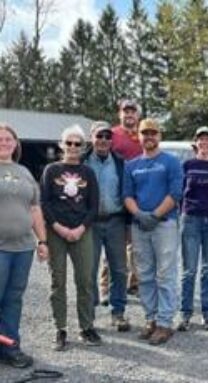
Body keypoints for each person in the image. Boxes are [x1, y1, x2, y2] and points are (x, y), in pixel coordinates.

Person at [123, 118, 183, 345]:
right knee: (145, 274)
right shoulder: (132, 165)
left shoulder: (171, 162)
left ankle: (165, 323)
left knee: (165, 274)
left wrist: (155, 215)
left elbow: (175, 193)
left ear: (159, 135)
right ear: (138, 136)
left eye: (153, 133)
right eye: (144, 133)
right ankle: (151, 319)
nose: (149, 136)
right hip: (139, 225)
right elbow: (127, 195)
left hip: (164, 224)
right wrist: (139, 214)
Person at [41, 125, 100, 351]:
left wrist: (80, 229)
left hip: (82, 231)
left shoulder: (88, 173)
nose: (73, 147)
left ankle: (86, 326)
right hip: (56, 231)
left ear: (83, 146)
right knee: (58, 281)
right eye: (69, 143)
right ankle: (61, 328)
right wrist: (58, 227)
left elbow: (93, 205)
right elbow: (44, 203)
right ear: (61, 145)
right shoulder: (51, 170)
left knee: (85, 280)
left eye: (77, 143)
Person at [0, 124, 48, 368]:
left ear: (16, 143)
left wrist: (42, 240)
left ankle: (9, 347)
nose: (4, 142)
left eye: (9, 139)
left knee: (13, 299)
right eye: (0, 139)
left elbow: (35, 208)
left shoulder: (24, 172)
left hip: (22, 248)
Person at [83, 121, 130, 332]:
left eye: (107, 136)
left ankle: (118, 312)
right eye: (99, 136)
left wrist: (129, 224)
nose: (103, 140)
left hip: (115, 222)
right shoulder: (82, 162)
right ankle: (89, 314)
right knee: (89, 269)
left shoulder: (120, 163)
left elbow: (127, 193)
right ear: (91, 138)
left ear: (112, 140)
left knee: (119, 269)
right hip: (90, 223)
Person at [177, 127, 208, 332]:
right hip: (191, 220)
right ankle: (185, 314)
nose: (204, 143)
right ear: (195, 143)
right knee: (189, 271)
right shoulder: (187, 165)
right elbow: (179, 192)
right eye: (201, 140)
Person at [109, 99, 143, 299]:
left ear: (137, 115)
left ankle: (135, 283)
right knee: (114, 245)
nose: (129, 115)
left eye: (133, 112)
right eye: (126, 112)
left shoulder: (142, 135)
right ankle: (107, 287)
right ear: (120, 114)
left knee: (136, 245)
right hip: (115, 196)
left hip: (136, 196)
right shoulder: (112, 135)